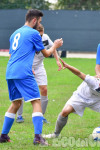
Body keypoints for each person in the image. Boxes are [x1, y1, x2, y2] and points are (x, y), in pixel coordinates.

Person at [0, 9, 63, 145]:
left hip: (10, 71)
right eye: (39, 21)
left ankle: (3, 136)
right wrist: (56, 46)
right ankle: (38, 137)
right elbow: (46, 54)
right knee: (36, 101)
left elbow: (12, 55)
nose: (39, 24)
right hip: (23, 72)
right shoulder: (34, 33)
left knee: (16, 103)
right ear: (34, 20)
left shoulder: (15, 33)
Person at [43, 58, 100, 140]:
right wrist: (67, 66)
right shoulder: (92, 81)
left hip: (97, 100)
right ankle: (55, 134)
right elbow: (79, 73)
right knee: (64, 112)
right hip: (81, 97)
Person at [16, 24, 62, 123]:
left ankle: (41, 116)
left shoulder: (45, 37)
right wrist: (28, 68)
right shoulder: (28, 39)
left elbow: (52, 47)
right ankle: (19, 115)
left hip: (39, 66)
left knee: (44, 89)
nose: (41, 37)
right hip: (26, 66)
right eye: (39, 35)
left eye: (41, 35)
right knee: (22, 91)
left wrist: (57, 60)